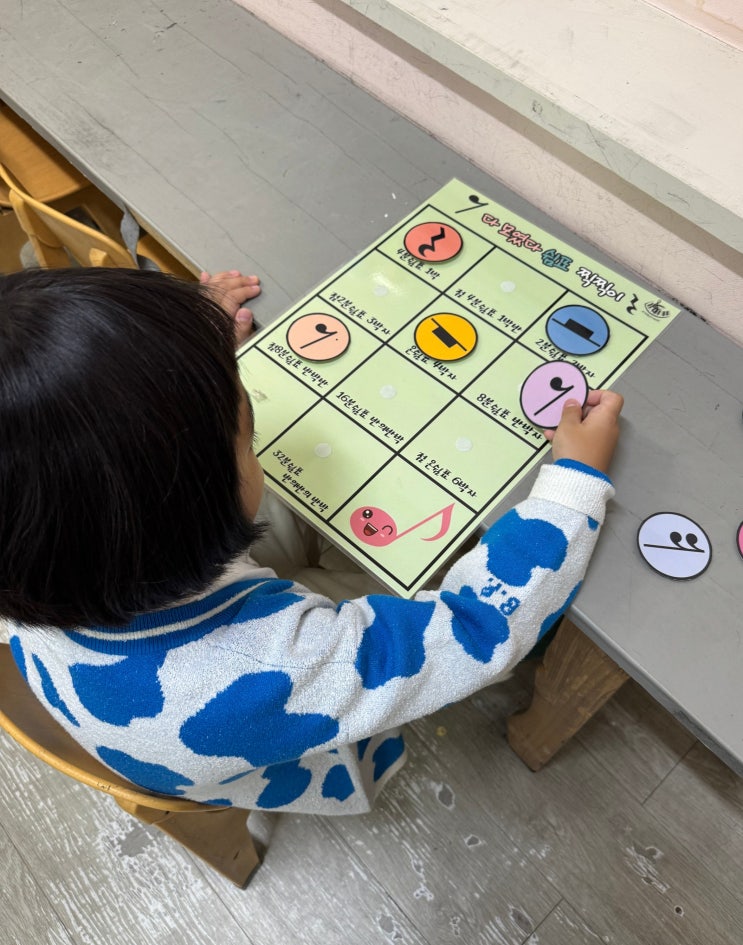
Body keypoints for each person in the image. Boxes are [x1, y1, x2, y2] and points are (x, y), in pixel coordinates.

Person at [0, 266, 623, 815]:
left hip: (131, 692)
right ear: (185, 510)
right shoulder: (275, 672)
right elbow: (477, 632)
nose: (251, 438)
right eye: (245, 434)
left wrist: (184, 355)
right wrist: (572, 484)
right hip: (276, 747)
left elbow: (70, 432)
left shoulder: (32, 546)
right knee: (422, 569)